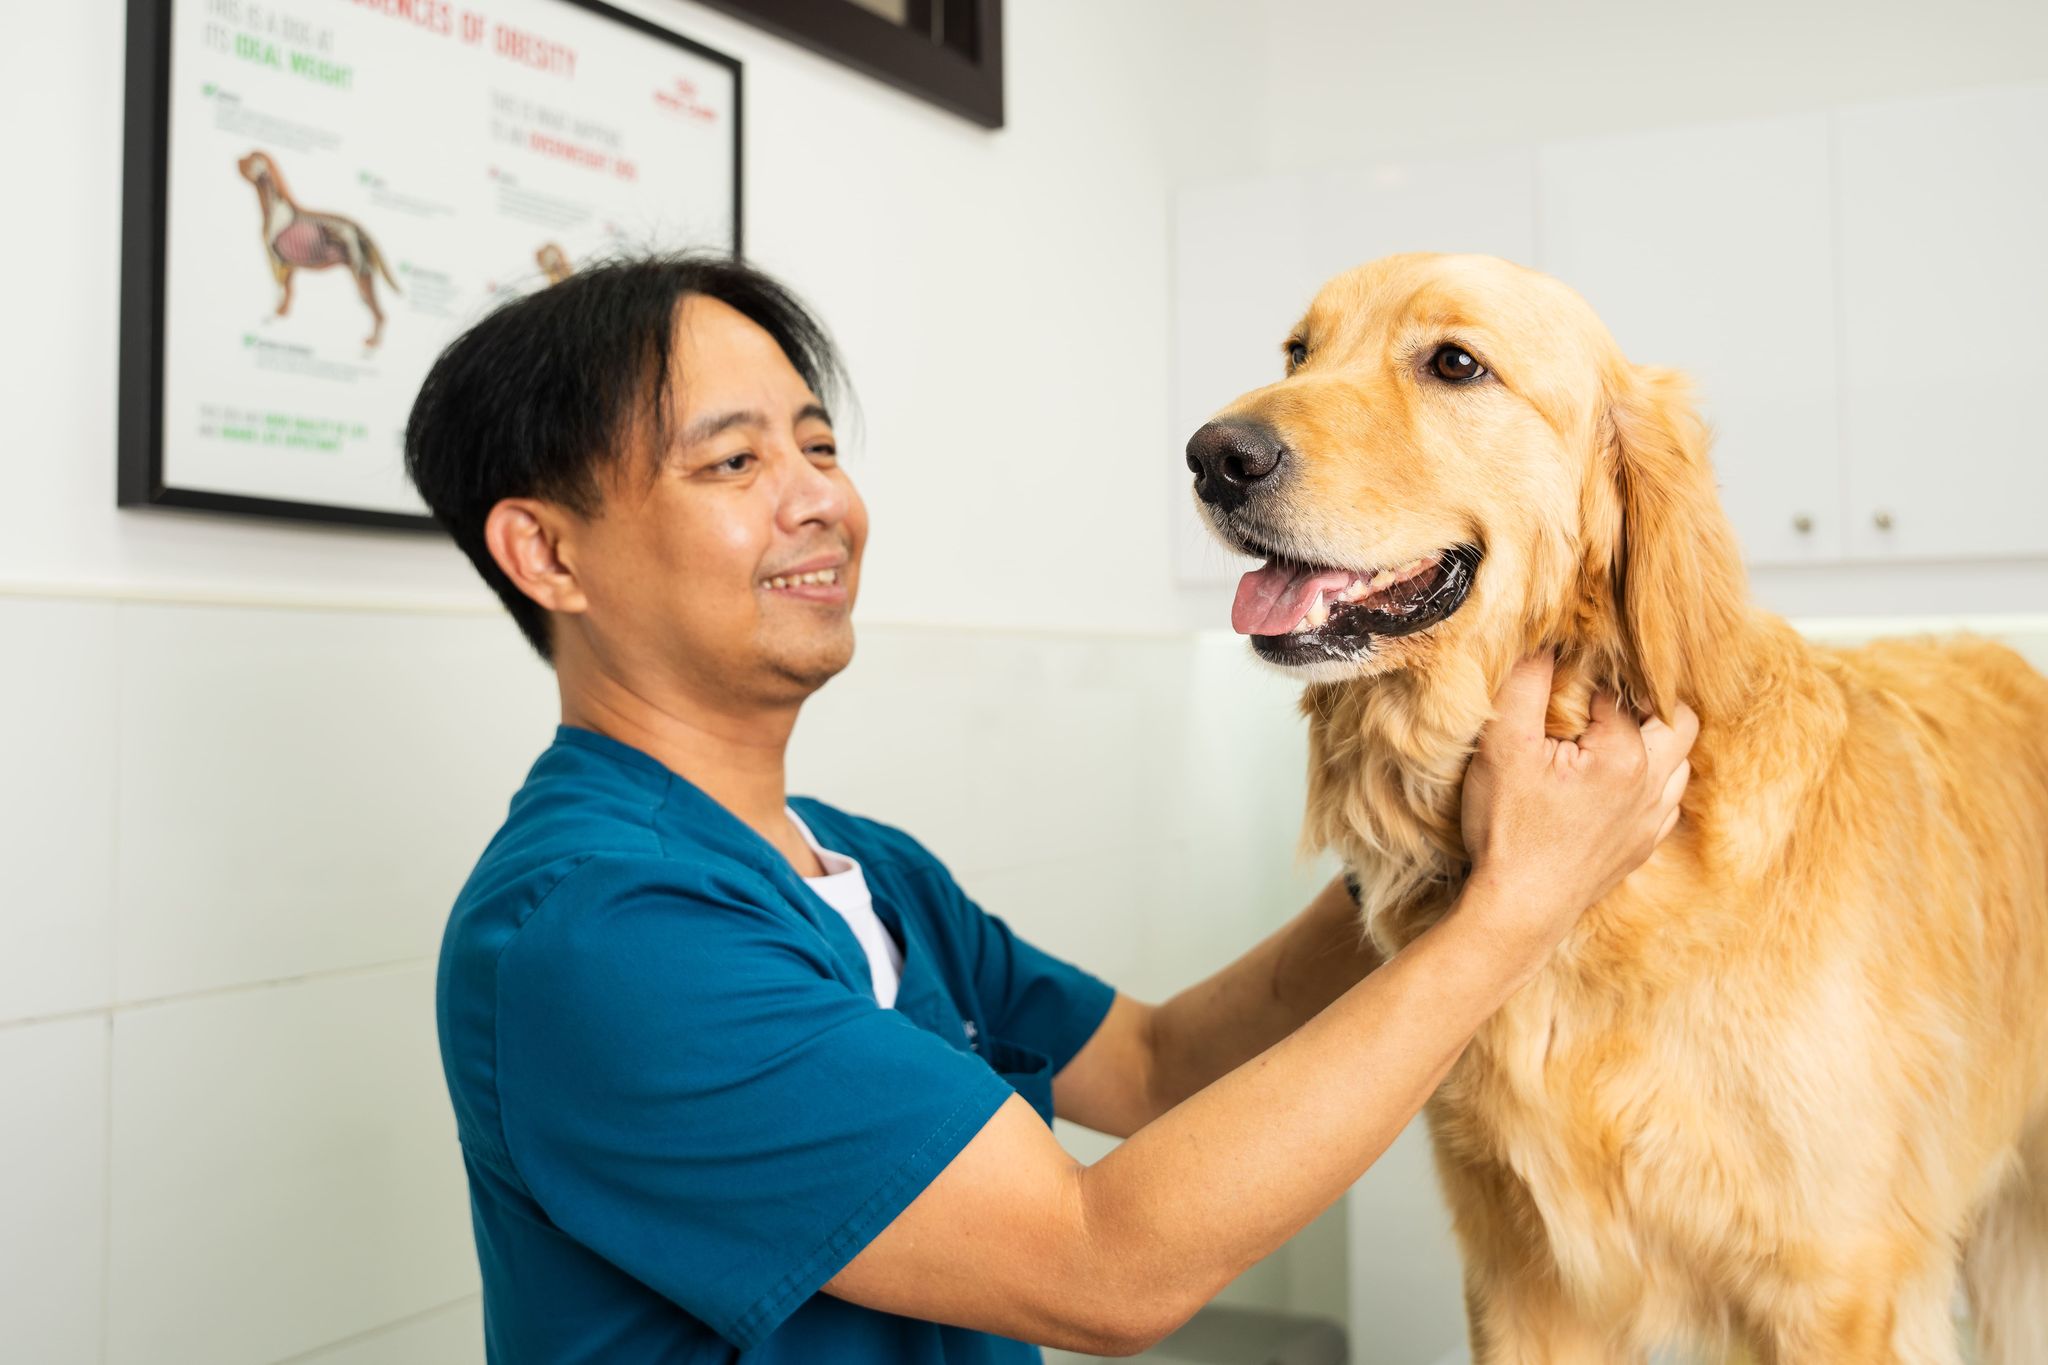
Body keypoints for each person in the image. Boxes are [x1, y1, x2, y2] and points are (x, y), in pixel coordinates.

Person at [404, 253, 1697, 1363]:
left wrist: (1439, 856)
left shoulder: (859, 868)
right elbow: (1100, 1268)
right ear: (548, 553)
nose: (820, 500)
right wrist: (1517, 909)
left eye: (819, 445)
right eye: (735, 459)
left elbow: (1156, 1064)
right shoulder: (603, 931)